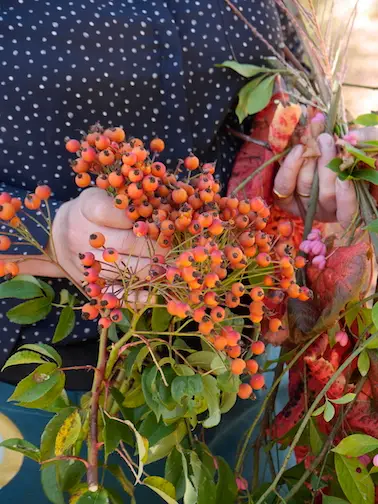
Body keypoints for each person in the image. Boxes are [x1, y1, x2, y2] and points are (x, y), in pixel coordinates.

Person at [0, 0, 376, 502]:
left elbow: (277, 104)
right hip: (44, 386)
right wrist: (44, 232)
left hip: (235, 369)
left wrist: (300, 172)